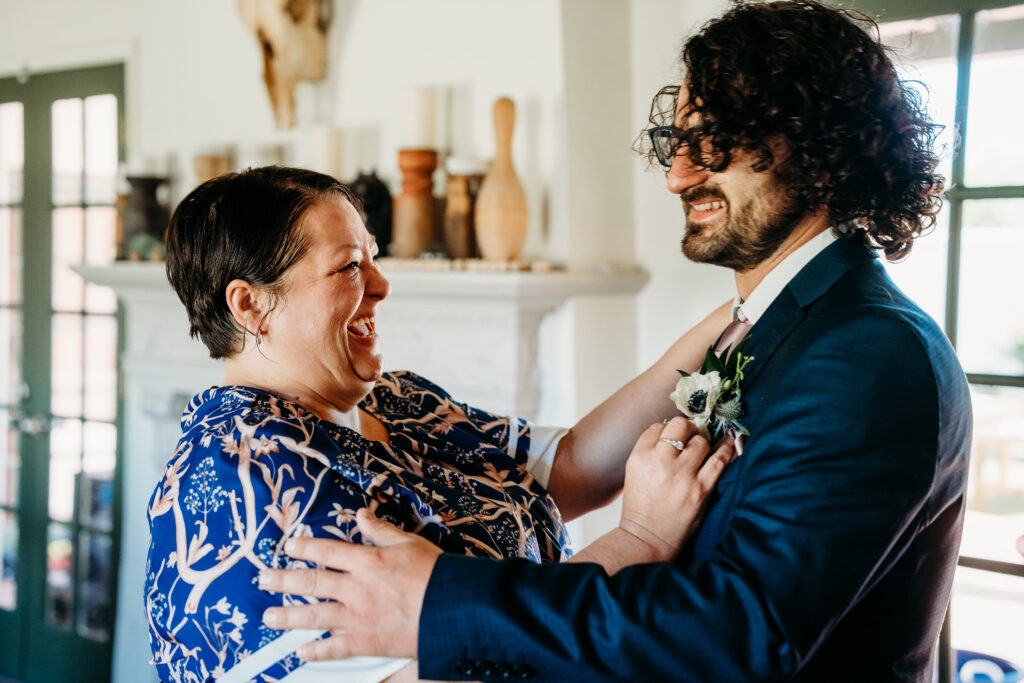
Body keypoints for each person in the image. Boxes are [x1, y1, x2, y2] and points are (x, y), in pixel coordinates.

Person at [257, 2, 973, 681]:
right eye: (678, 142)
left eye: (714, 143)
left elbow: (741, 633)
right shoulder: (779, 326)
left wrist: (438, 602)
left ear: (819, 146)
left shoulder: (869, 352)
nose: (677, 175)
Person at [146, 166, 737, 683]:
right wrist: (641, 539)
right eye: (349, 267)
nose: (382, 284)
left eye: (373, 256)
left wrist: (743, 311)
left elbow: (574, 465)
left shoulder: (395, 399)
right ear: (251, 306)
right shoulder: (244, 487)